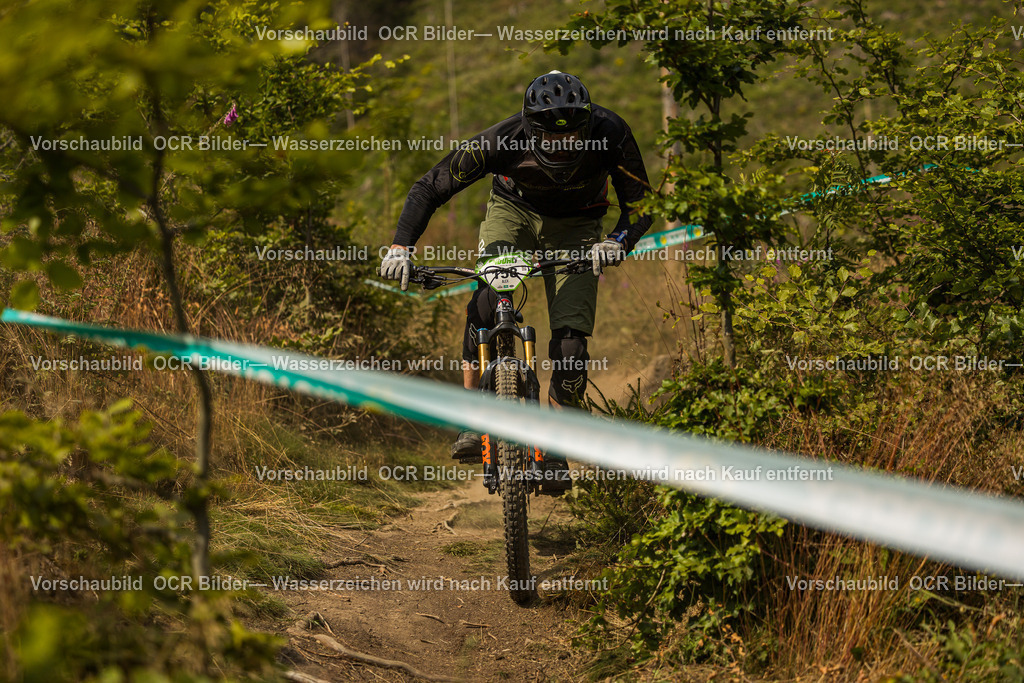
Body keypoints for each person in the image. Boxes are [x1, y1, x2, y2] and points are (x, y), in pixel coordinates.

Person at [380, 70, 652, 491]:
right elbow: (430, 187)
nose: (562, 146)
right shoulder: (501, 140)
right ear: (531, 130)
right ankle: (473, 418)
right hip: (514, 212)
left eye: (571, 137)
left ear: (586, 127)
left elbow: (642, 202)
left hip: (579, 224)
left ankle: (556, 447)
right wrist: (401, 247)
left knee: (571, 348)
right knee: (486, 302)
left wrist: (617, 241)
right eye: (551, 139)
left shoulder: (611, 132)